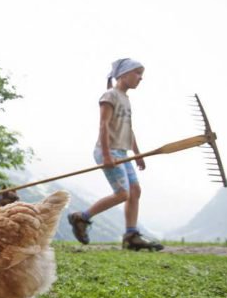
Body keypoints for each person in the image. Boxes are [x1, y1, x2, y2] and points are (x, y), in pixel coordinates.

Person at [68, 58, 163, 251]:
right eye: (137, 73)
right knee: (122, 194)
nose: (140, 78)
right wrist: (106, 155)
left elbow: (129, 128)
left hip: (122, 151)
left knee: (135, 191)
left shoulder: (126, 99)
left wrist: (137, 153)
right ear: (123, 74)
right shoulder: (109, 96)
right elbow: (103, 125)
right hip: (108, 151)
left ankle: (131, 235)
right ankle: (81, 217)